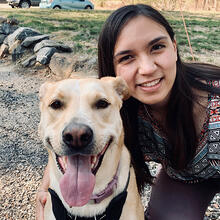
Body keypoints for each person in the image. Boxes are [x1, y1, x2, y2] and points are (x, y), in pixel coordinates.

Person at [36, 4, 220, 220]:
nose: (147, 68)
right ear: (114, 72)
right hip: (185, 177)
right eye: (127, 58)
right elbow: (67, 134)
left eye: (157, 47)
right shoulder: (115, 105)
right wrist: (44, 189)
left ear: (174, 47)